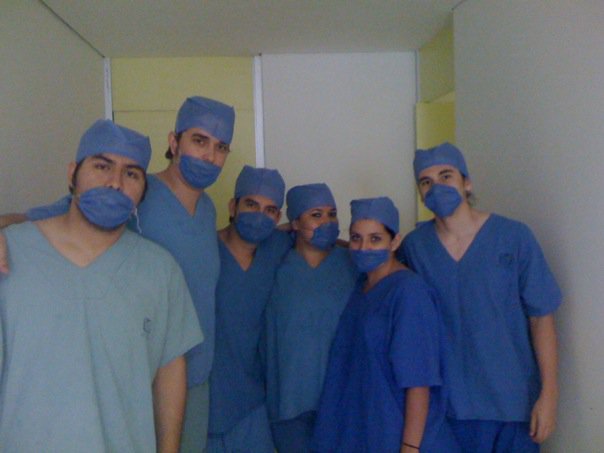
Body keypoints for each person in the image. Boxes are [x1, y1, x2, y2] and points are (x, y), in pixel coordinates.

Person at [0, 96, 236, 451]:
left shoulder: (203, 214)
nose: (209, 155)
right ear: (174, 142)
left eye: (221, 147)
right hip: (126, 376)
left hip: (185, 370)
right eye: (199, 141)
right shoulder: (131, 194)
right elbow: (47, 219)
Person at [399, 143, 561, 452]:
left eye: (446, 176)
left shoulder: (514, 237)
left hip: (512, 405)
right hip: (447, 410)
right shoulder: (415, 247)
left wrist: (550, 395)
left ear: (467, 182)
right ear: (420, 193)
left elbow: (542, 318)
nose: (436, 187)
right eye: (426, 181)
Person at [312, 197, 444, 453]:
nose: (364, 248)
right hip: (357, 427)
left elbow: (419, 381)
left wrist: (410, 446)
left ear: (394, 241)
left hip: (391, 430)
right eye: (356, 238)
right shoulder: (362, 288)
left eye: (375, 239)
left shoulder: (408, 292)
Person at [265, 183, 358, 452]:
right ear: (294, 222)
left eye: (332, 214)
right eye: (316, 215)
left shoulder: (352, 264)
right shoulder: (275, 265)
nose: (327, 222)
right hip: (290, 401)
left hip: (341, 400)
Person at [207, 165, 291, 453]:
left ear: (278, 217)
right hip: (205, 399)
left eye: (270, 210)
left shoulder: (277, 248)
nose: (259, 215)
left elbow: (316, 240)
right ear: (233, 206)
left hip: (252, 404)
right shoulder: (204, 249)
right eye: (251, 205)